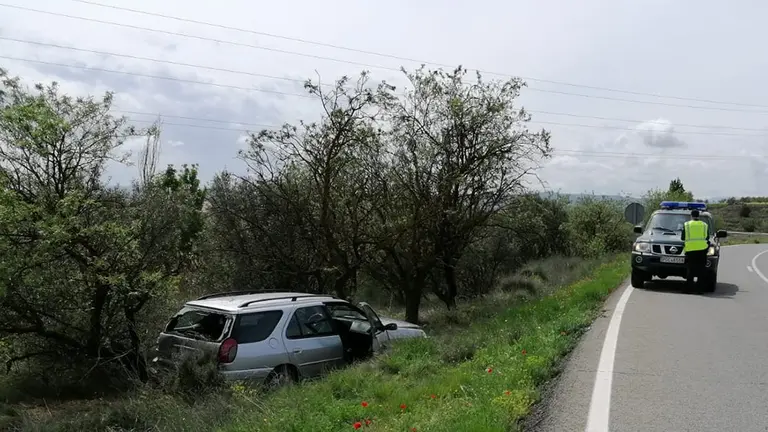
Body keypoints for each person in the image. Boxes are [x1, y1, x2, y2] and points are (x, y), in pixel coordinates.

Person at [681, 209, 710, 290]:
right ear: (699, 216)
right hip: (702, 250)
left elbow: (682, 237)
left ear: (691, 216)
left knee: (690, 269)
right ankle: (700, 289)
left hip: (690, 250)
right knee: (701, 270)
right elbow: (707, 237)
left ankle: (689, 288)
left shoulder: (687, 224)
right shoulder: (704, 225)